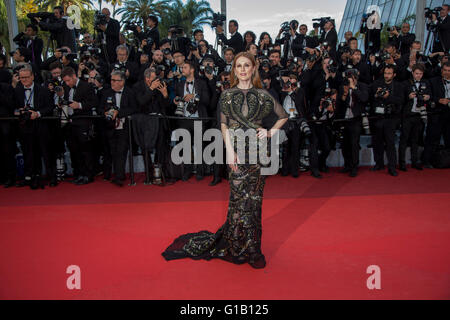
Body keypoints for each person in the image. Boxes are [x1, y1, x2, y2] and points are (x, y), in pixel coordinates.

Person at [162, 52, 289, 269]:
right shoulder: (227, 95)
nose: (242, 69)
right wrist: (229, 152)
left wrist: (269, 133)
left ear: (253, 68)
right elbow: (224, 126)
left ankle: (253, 249)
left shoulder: (262, 94)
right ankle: (237, 248)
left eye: (246, 65)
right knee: (238, 203)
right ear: (234, 70)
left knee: (255, 203)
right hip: (237, 151)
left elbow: (283, 116)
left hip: (257, 153)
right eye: (238, 65)